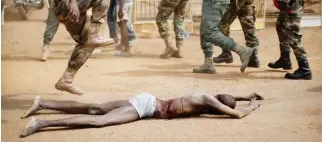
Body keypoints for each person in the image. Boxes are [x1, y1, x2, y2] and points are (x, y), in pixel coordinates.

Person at [20, 92, 263, 137]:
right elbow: (236, 114)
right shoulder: (207, 100)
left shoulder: (210, 99)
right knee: (99, 120)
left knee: (95, 107)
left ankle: (43, 103)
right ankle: (41, 122)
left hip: (147, 99)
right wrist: (251, 108)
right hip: (147, 107)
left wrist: (248, 96)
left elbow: (230, 100)